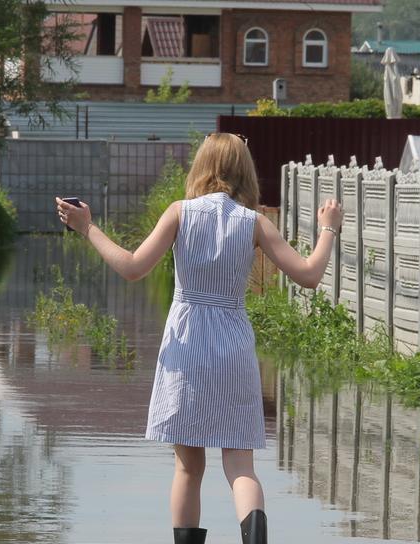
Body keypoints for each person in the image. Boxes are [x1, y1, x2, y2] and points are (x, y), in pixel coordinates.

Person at [56, 133, 343, 544]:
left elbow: (133, 268)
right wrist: (328, 229)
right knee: (241, 467)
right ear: (244, 171)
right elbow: (310, 276)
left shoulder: (179, 213)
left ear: (202, 166)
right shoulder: (255, 221)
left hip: (187, 344)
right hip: (233, 345)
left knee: (188, 469)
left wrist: (88, 228)